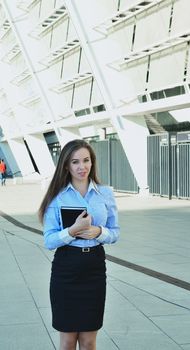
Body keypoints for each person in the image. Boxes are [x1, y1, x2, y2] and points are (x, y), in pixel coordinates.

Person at [38, 139, 120, 350]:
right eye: (75, 162)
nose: (81, 167)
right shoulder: (57, 197)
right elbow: (49, 240)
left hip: (94, 267)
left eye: (86, 160)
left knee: (89, 340)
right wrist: (72, 231)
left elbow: (115, 232)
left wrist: (99, 232)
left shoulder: (105, 193)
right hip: (66, 268)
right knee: (67, 341)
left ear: (92, 162)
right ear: (66, 165)